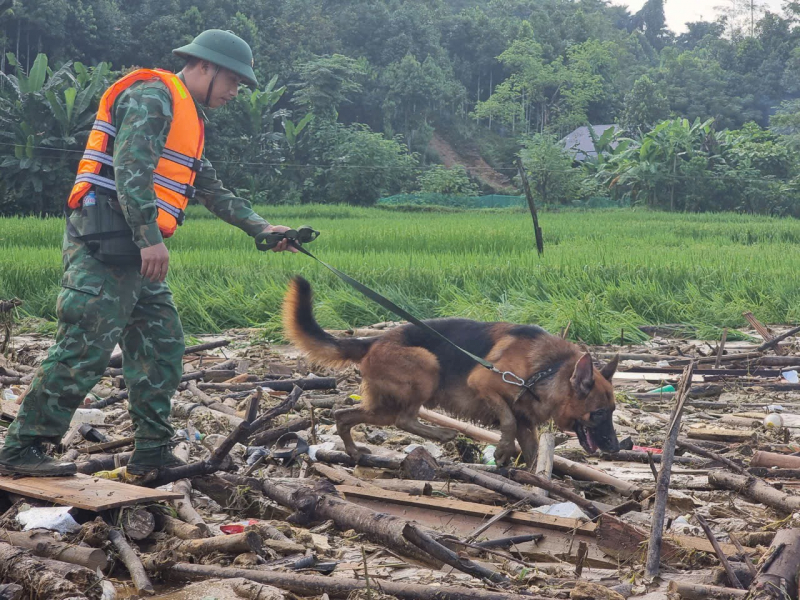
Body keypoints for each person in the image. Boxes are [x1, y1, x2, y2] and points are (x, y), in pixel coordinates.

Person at [0, 29, 297, 477]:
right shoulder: (153, 96)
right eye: (233, 80)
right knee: (84, 346)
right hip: (103, 245)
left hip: (133, 253)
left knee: (161, 344)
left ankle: (152, 452)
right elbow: (131, 168)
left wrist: (263, 228)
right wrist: (149, 238)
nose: (236, 91)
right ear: (205, 66)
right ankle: (22, 448)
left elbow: (211, 188)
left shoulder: (186, 118)